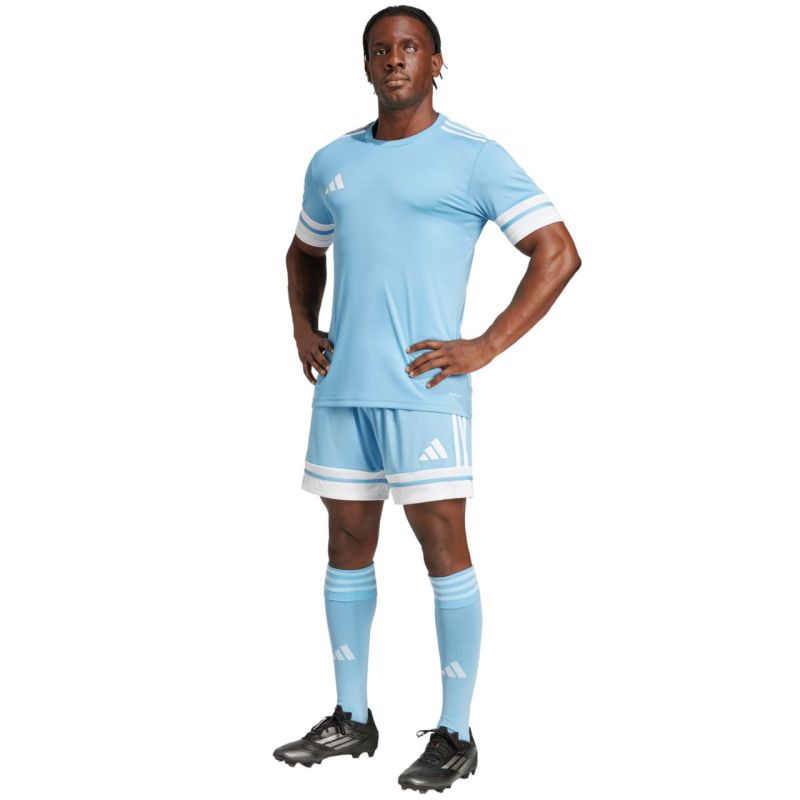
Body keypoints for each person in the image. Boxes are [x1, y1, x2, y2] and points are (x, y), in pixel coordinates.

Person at [274, 4, 581, 793]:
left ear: (437, 62)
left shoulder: (473, 158)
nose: (395, 59)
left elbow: (558, 251)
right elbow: (303, 252)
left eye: (410, 47)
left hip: (425, 391)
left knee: (442, 545)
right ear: (366, 65)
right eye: (381, 49)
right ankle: (352, 717)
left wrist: (485, 345)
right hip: (343, 392)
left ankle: (457, 733)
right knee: (346, 543)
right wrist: (304, 328)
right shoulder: (331, 161)